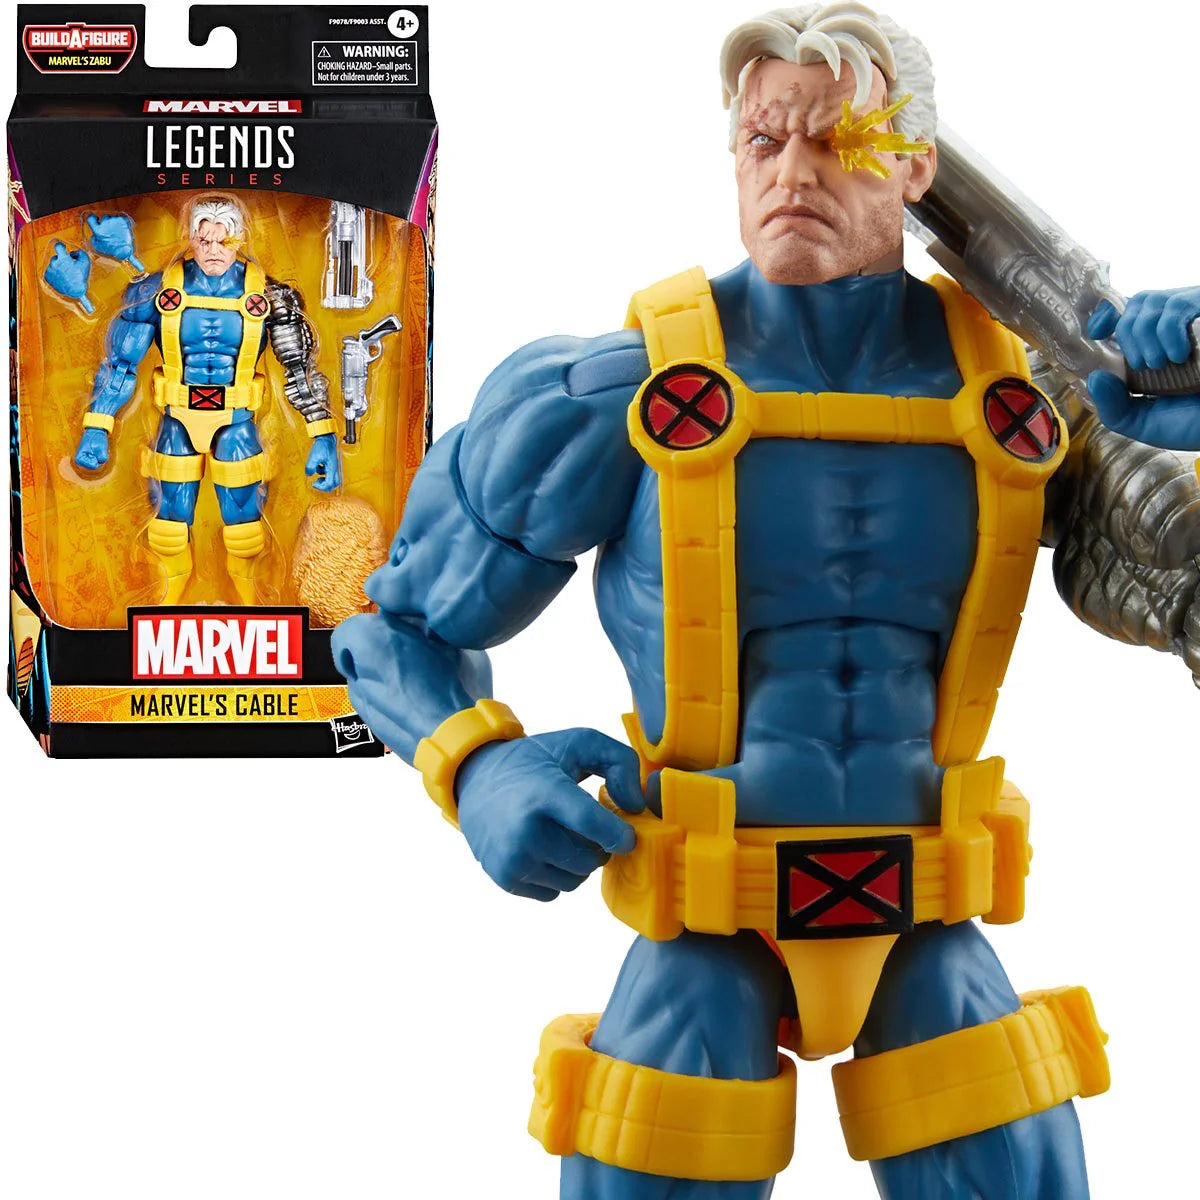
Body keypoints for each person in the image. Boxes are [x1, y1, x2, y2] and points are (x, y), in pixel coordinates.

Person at [333, 4, 1200, 1196]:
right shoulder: (610, 392)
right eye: (764, 140)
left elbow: (1180, 581)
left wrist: (1185, 408)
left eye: (837, 141)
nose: (793, 174)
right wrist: (475, 766)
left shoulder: (1023, 401)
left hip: (929, 919)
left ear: (917, 166)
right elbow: (396, 626)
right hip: (704, 927)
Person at [74, 194, 341, 604]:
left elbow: (300, 370)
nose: (213, 250)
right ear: (190, 237)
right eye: (204, 240)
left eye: (224, 240)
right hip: (177, 419)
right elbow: (120, 364)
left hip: (237, 421)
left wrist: (323, 436)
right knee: (168, 523)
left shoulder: (272, 297)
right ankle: (169, 596)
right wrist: (97, 427)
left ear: (241, 238)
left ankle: (249, 599)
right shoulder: (154, 293)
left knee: (245, 524)